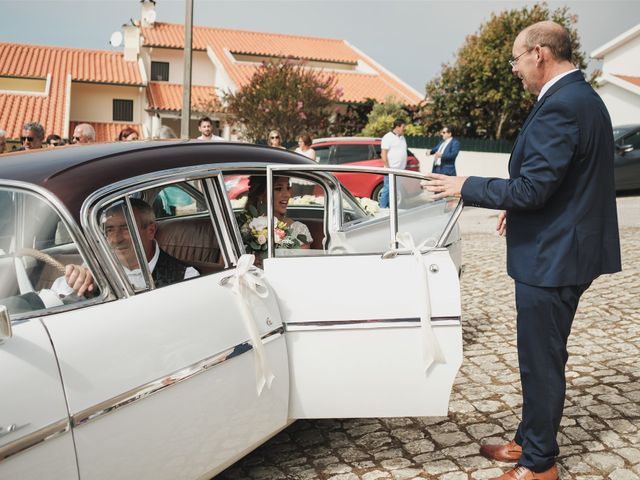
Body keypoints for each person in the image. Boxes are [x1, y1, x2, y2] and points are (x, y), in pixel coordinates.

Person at [426, 21, 621, 480]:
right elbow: (566, 181)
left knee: (541, 360)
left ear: (538, 53)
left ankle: (539, 465)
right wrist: (520, 207)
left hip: (553, 258)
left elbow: (535, 187)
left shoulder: (563, 106)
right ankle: (529, 440)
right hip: (563, 244)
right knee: (541, 356)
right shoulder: (582, 97)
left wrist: (465, 186)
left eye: (515, 60)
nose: (515, 70)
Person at [52, 198, 198, 296]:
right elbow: (57, 295)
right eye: (109, 230)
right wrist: (73, 280)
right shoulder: (97, 266)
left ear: (150, 231)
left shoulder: (185, 276)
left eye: (126, 228)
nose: (116, 239)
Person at [242, 175, 312, 251]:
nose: (287, 195)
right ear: (261, 194)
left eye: (288, 188)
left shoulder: (298, 229)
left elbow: (300, 262)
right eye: (278, 189)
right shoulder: (244, 227)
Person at [379, 118, 407, 208]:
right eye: (403, 127)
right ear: (397, 127)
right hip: (391, 170)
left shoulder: (402, 138)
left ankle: (391, 208)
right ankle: (383, 208)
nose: (404, 129)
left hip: (400, 171)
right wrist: (387, 167)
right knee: (387, 189)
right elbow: (383, 154)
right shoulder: (388, 137)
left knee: (395, 191)